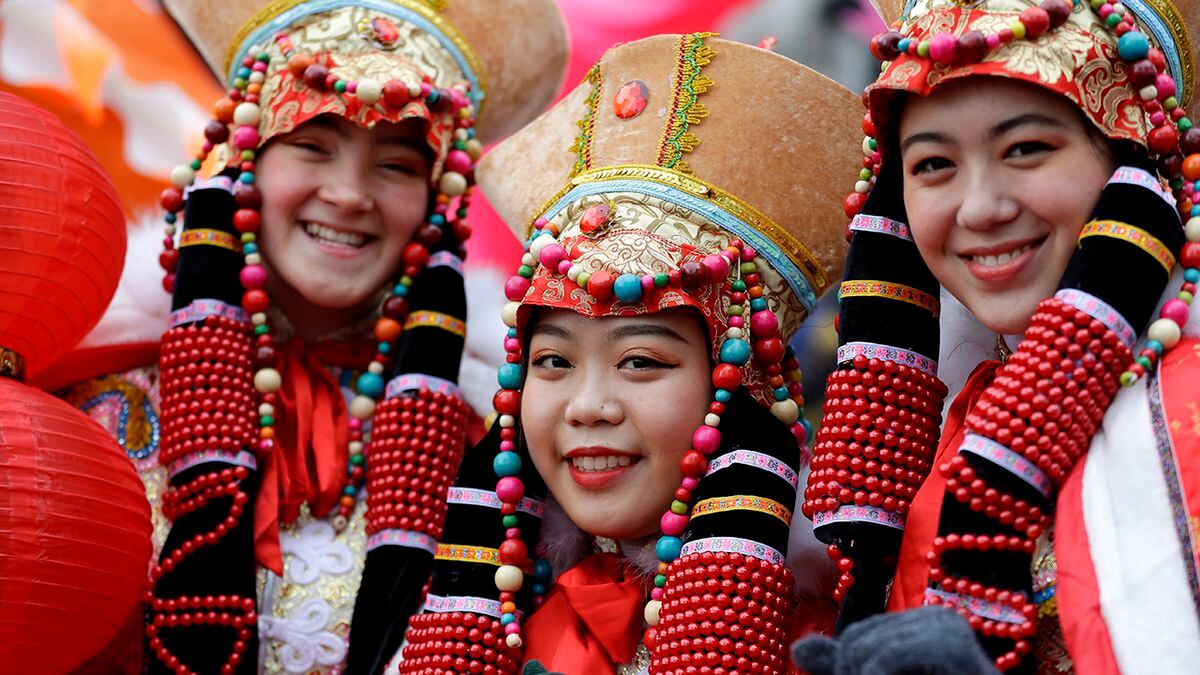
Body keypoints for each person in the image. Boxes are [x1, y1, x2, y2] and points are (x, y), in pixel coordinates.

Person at [52, 1, 568, 672]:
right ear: (247, 154)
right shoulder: (81, 393)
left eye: (397, 165)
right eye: (312, 145)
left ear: (439, 194)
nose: (350, 193)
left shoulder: (490, 448)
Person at [394, 33, 863, 675]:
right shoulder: (509, 623)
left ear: (743, 383)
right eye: (553, 362)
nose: (587, 407)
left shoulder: (836, 644)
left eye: (640, 360)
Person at [799, 0, 1200, 672]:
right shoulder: (942, 443)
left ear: (1127, 160)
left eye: (1026, 149)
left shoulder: (1188, 407)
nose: (981, 207)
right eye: (932, 165)